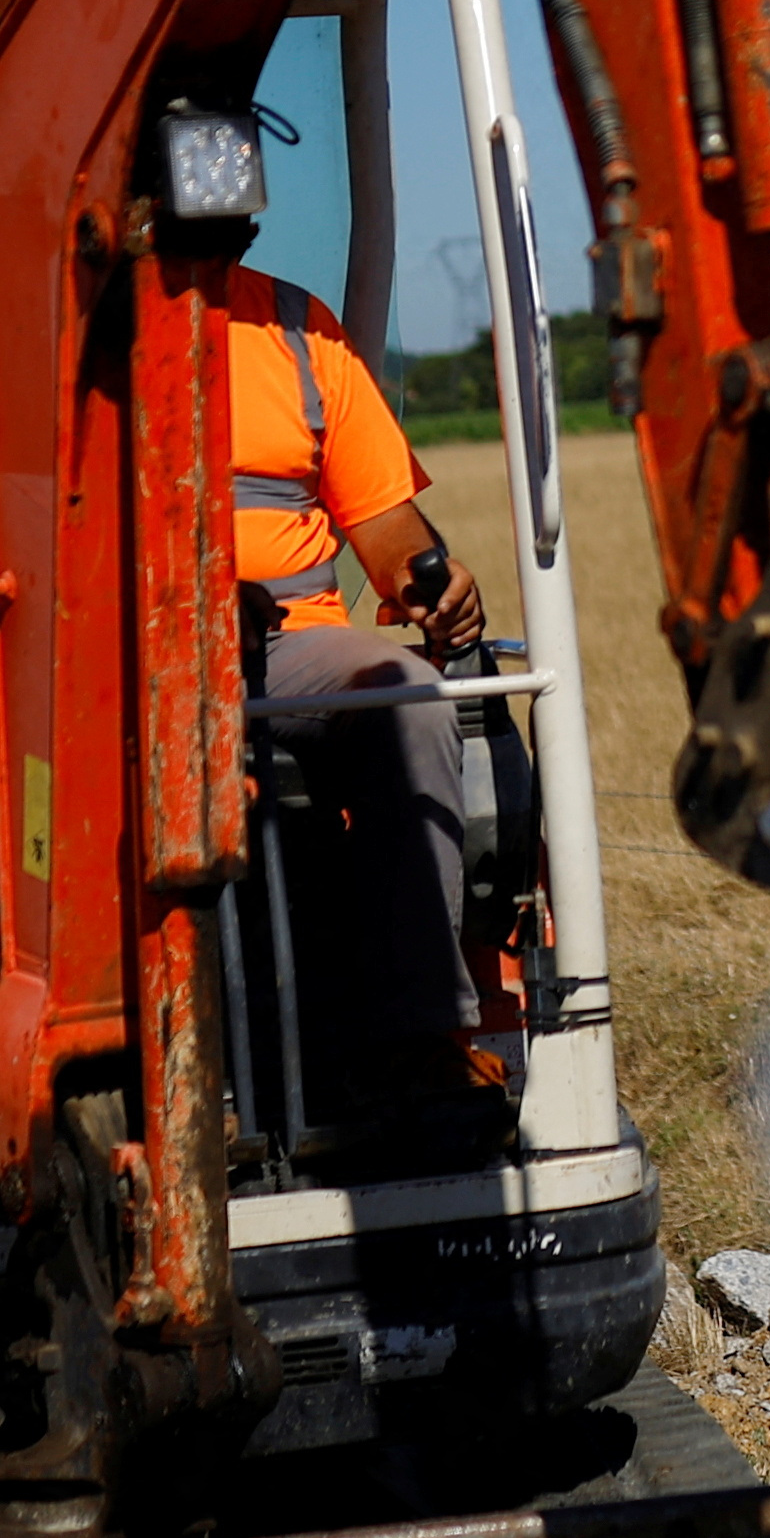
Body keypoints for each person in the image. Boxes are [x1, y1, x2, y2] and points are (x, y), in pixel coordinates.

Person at [221, 267, 493, 1112]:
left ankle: (421, 1041)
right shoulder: (61, 328)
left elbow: (384, 524)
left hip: (291, 644)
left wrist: (433, 589)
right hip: (118, 653)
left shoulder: (299, 328)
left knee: (403, 693)